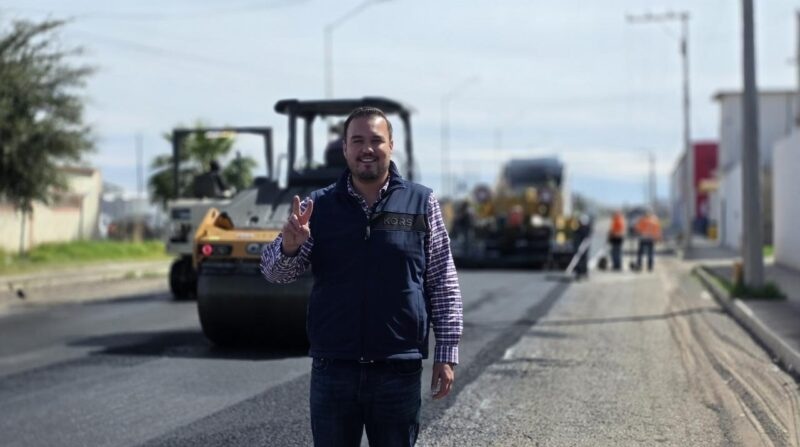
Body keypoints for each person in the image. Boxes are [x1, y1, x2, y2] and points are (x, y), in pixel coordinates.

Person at [260, 107, 464, 447]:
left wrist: (446, 351)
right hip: (334, 368)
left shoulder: (421, 202)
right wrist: (289, 247)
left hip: (398, 369)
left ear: (391, 145)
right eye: (357, 140)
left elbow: (442, 281)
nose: (366, 148)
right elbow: (274, 273)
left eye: (375, 140)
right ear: (344, 148)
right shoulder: (318, 207)